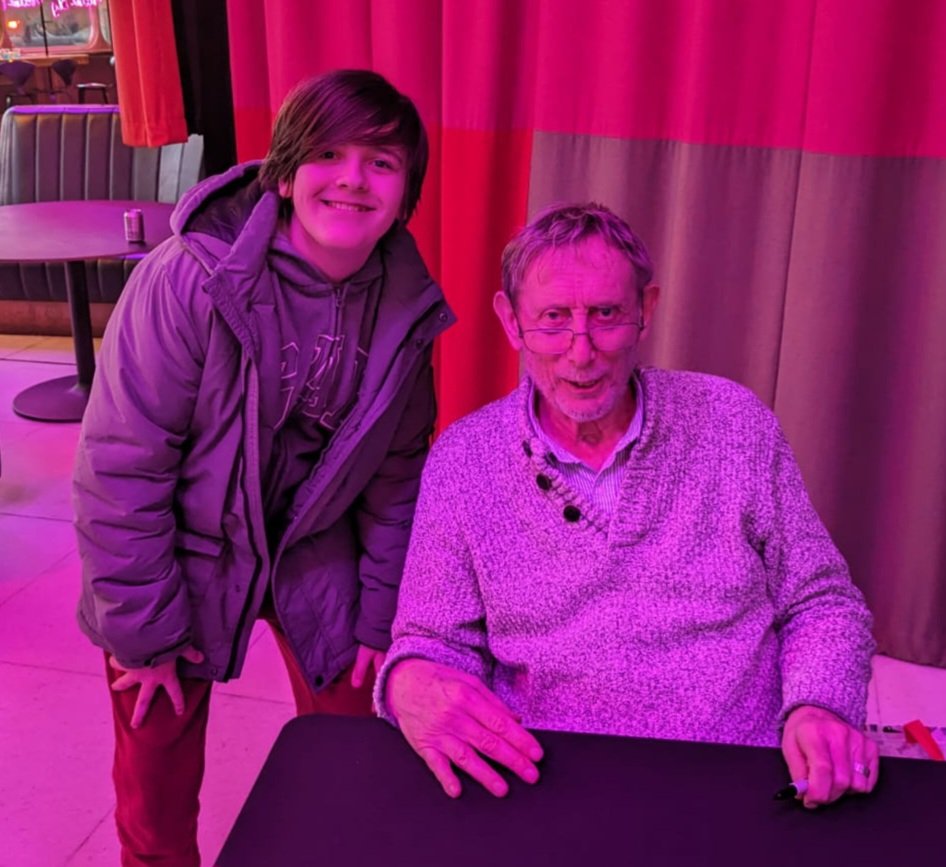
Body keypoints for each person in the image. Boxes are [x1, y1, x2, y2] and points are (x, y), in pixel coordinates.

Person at [374, 202, 879, 810]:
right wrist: (408, 681)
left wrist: (819, 703)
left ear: (646, 309)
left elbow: (822, 600)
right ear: (510, 321)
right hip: (547, 786)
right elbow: (431, 644)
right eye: (554, 319)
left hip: (741, 780)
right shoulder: (464, 461)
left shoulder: (733, 422)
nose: (581, 351)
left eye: (607, 315)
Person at [74, 69, 454, 866]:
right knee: (155, 790)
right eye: (328, 154)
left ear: (406, 191)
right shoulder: (187, 279)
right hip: (178, 545)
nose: (353, 180)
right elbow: (122, 470)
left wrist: (382, 618)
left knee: (360, 747)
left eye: (381, 163)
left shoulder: (408, 309)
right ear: (284, 171)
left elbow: (395, 486)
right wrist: (143, 636)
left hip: (314, 542)